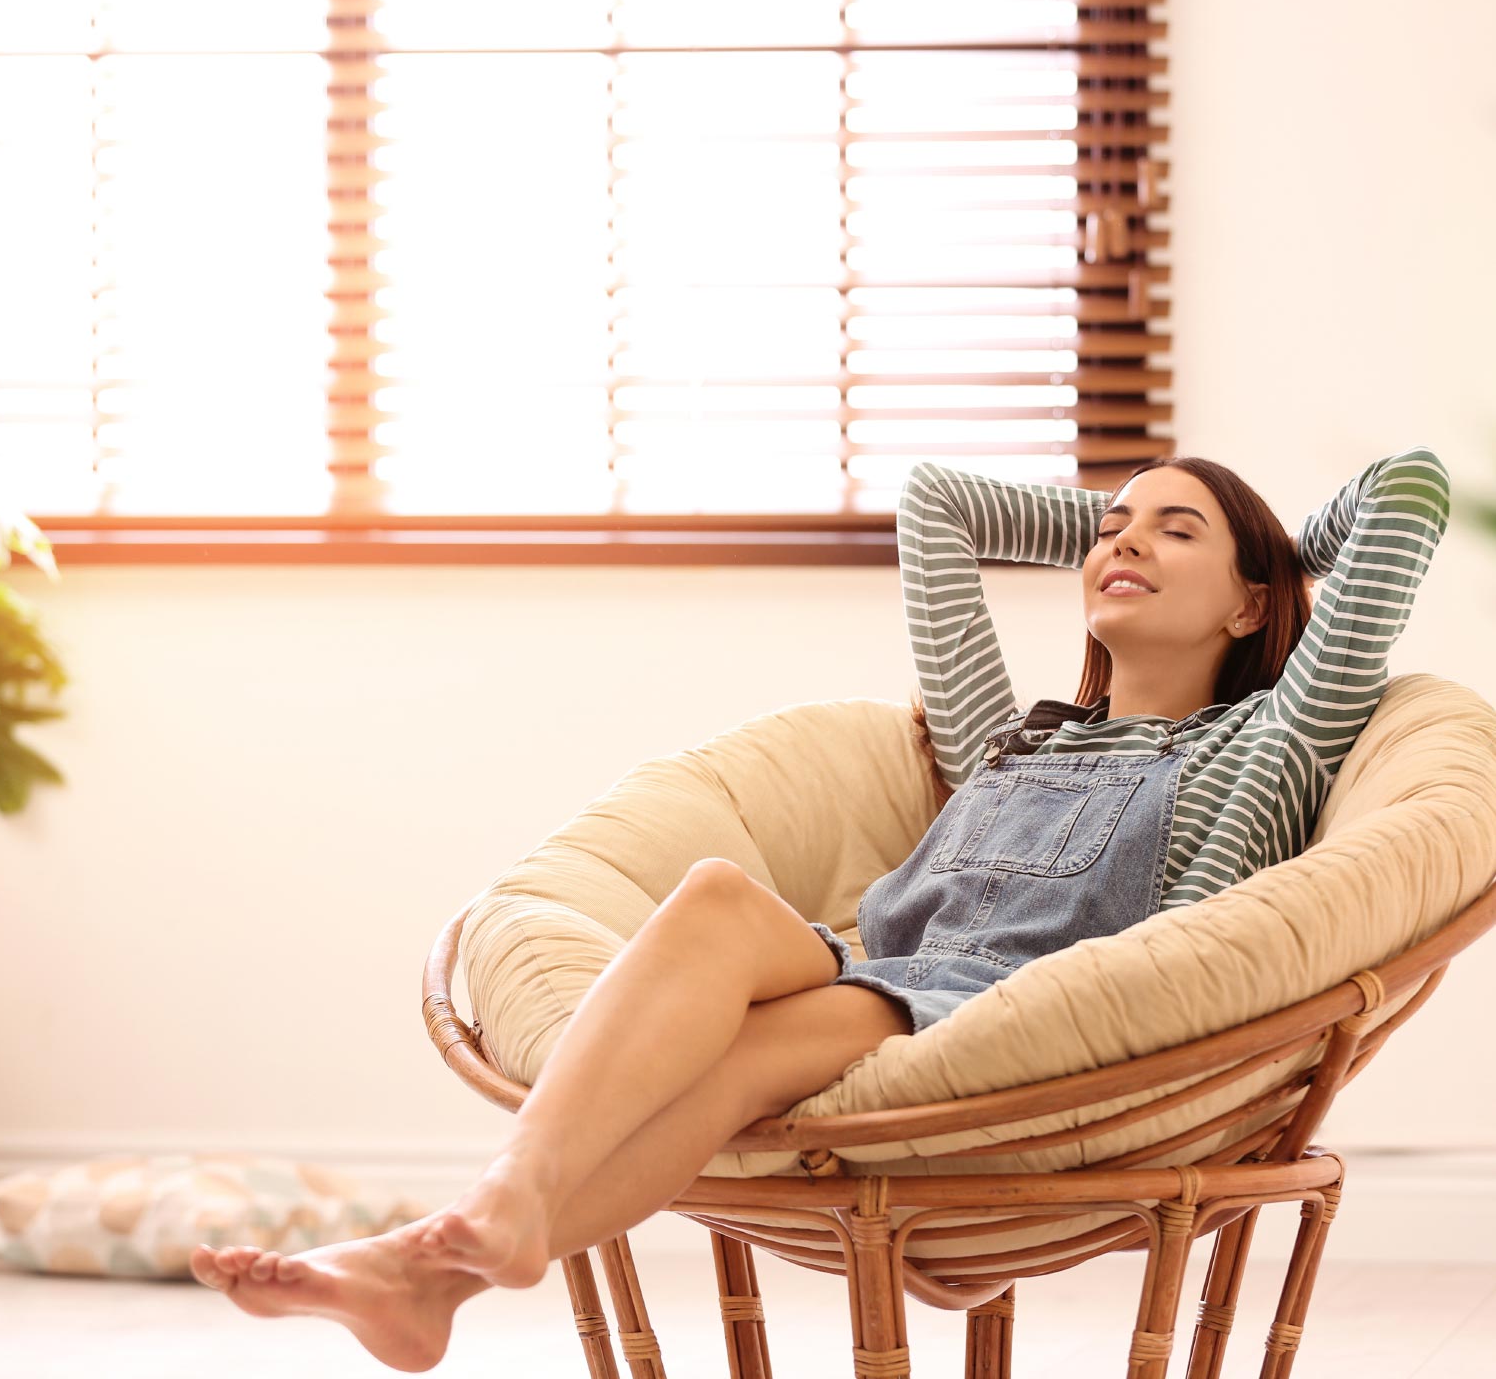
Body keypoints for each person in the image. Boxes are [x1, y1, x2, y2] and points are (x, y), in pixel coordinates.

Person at [189, 445, 1451, 1372]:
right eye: (1107, 526)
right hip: (869, 964)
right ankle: (491, 1220)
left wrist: (1258, 529)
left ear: (1250, 599)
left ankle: (438, 1253)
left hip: (988, 1011)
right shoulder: (1003, 736)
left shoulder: (1260, 749)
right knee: (711, 896)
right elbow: (935, 502)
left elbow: (1405, 493)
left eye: (1174, 532)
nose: (1119, 541)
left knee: (739, 1060)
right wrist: (1144, 524)